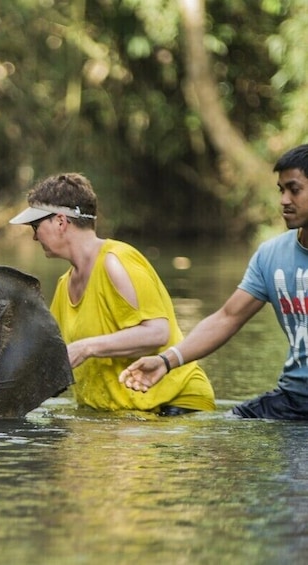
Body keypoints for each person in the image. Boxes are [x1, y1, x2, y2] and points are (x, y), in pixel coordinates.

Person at [120, 144, 308, 420]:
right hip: (294, 398)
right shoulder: (271, 256)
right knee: (221, 428)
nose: (283, 200)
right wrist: (166, 361)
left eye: (294, 189)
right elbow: (227, 318)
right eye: (281, 190)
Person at [9, 172, 215, 415]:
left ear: (61, 222)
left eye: (36, 226)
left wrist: (85, 347)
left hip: (174, 406)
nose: (34, 236)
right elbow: (53, 360)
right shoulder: (65, 286)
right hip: (121, 417)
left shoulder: (116, 261)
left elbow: (158, 332)